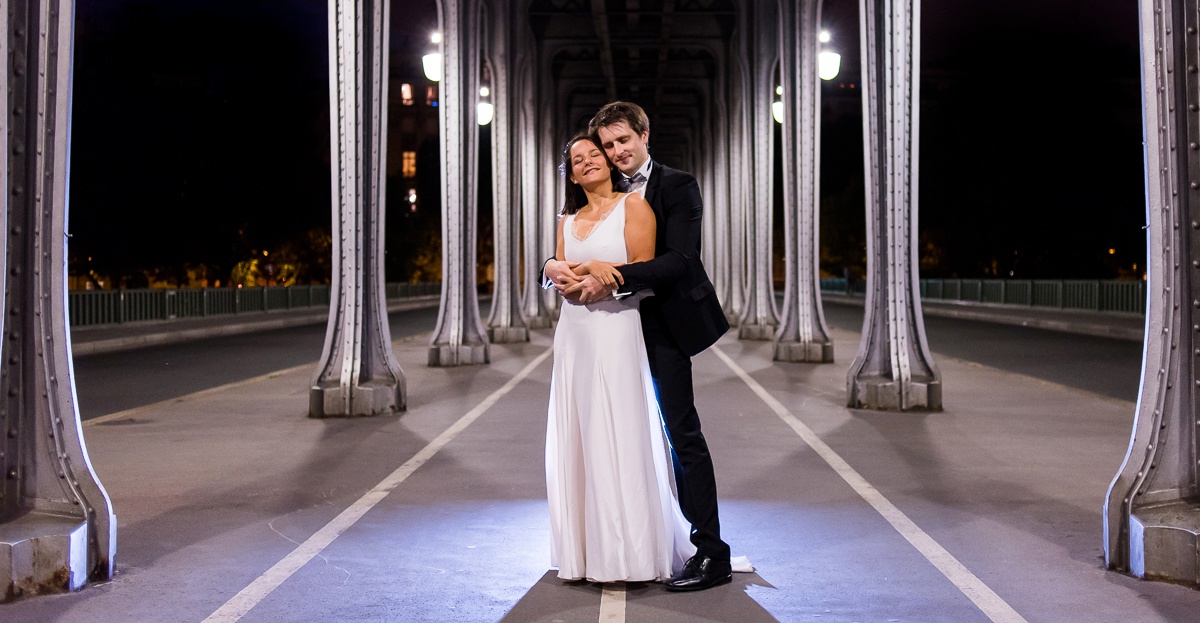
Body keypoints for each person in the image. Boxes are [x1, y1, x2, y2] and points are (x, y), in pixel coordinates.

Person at [545, 102, 734, 592]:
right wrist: (552, 264)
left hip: (662, 325)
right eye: (608, 146)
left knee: (681, 434)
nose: (616, 152)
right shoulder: (591, 201)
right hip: (609, 331)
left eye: (623, 140)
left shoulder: (677, 185)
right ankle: (613, 540)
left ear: (644, 134)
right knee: (612, 433)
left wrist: (613, 276)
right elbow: (573, 246)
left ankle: (712, 552)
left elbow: (681, 260)